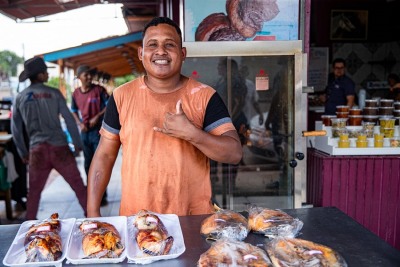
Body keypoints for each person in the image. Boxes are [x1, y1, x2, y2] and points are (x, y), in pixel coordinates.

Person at [87, 17, 242, 217]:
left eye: (170, 44)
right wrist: (92, 211)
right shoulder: (121, 96)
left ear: (183, 53)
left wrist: (193, 134)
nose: (161, 51)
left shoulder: (205, 96)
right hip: (137, 220)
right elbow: (105, 155)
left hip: (191, 219)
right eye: (153, 45)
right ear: (141, 54)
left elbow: (234, 153)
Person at [11, 57, 87, 220]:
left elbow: (15, 129)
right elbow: (69, 119)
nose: (47, 74)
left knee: (34, 195)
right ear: (39, 75)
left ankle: (28, 234)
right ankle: (95, 220)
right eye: (44, 72)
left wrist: (23, 151)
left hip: (37, 150)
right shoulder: (54, 94)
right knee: (79, 187)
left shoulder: (20, 97)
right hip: (60, 148)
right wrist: (77, 143)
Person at [71, 65, 109, 206]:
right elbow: (73, 110)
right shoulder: (75, 93)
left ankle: (102, 196)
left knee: (99, 165)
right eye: (85, 75)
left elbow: (109, 106)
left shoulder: (99, 90)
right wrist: (79, 123)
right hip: (85, 133)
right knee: (88, 165)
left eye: (89, 75)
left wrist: (97, 117)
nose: (88, 77)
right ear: (79, 77)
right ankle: (92, 195)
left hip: (98, 132)